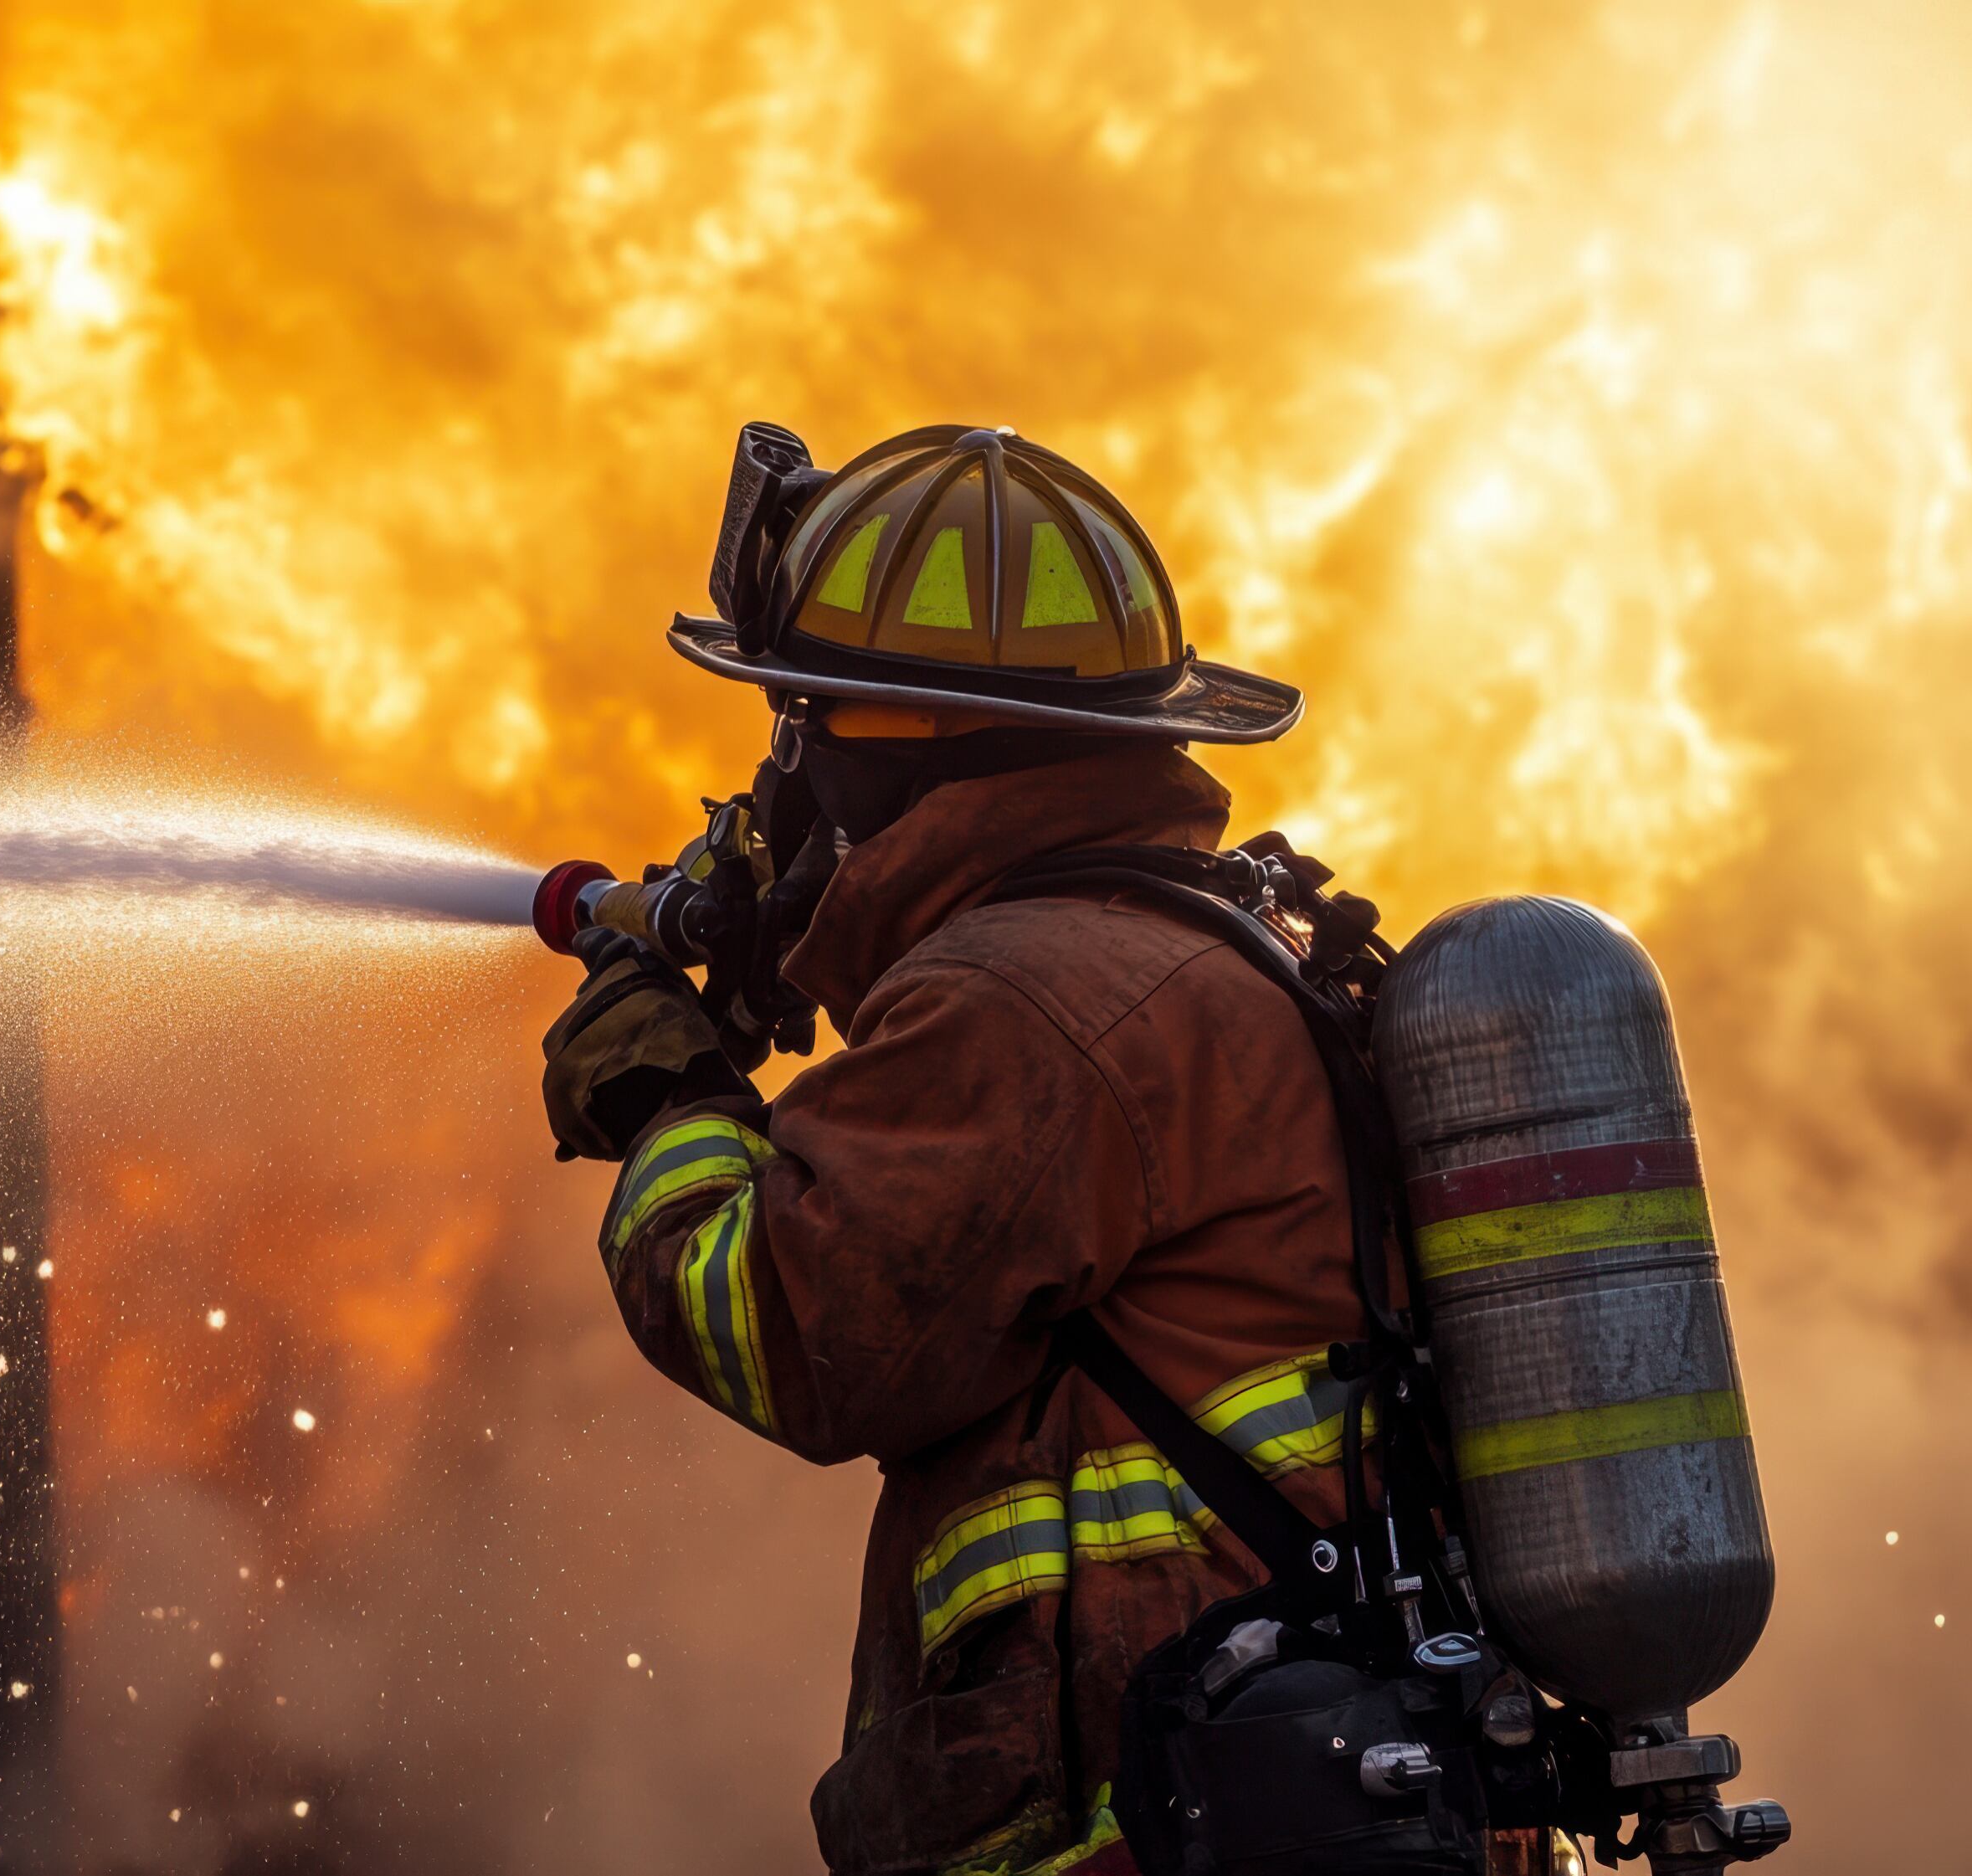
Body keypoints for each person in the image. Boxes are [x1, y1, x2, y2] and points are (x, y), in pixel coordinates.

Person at [542, 424, 1366, 1876]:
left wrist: (665, 1100)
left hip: (1157, 1824)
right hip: (1284, 1792)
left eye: (797, 721)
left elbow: (799, 1328)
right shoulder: (1174, 944)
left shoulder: (1017, 1004)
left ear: (882, 744)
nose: (776, 780)